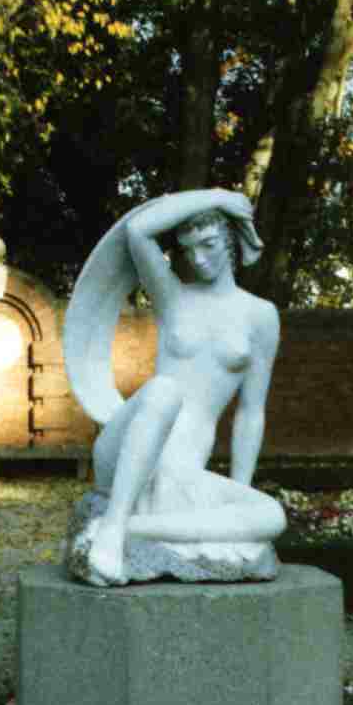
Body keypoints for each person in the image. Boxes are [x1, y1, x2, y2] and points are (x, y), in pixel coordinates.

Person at [64, 188, 286, 586]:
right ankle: (112, 532)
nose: (199, 258)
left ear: (232, 239)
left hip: (182, 472)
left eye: (209, 244)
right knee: (165, 390)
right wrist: (216, 196)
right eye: (188, 249)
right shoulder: (173, 297)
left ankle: (133, 529)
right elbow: (138, 230)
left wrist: (237, 491)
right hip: (128, 452)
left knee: (271, 516)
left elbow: (252, 412)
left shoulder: (261, 316)